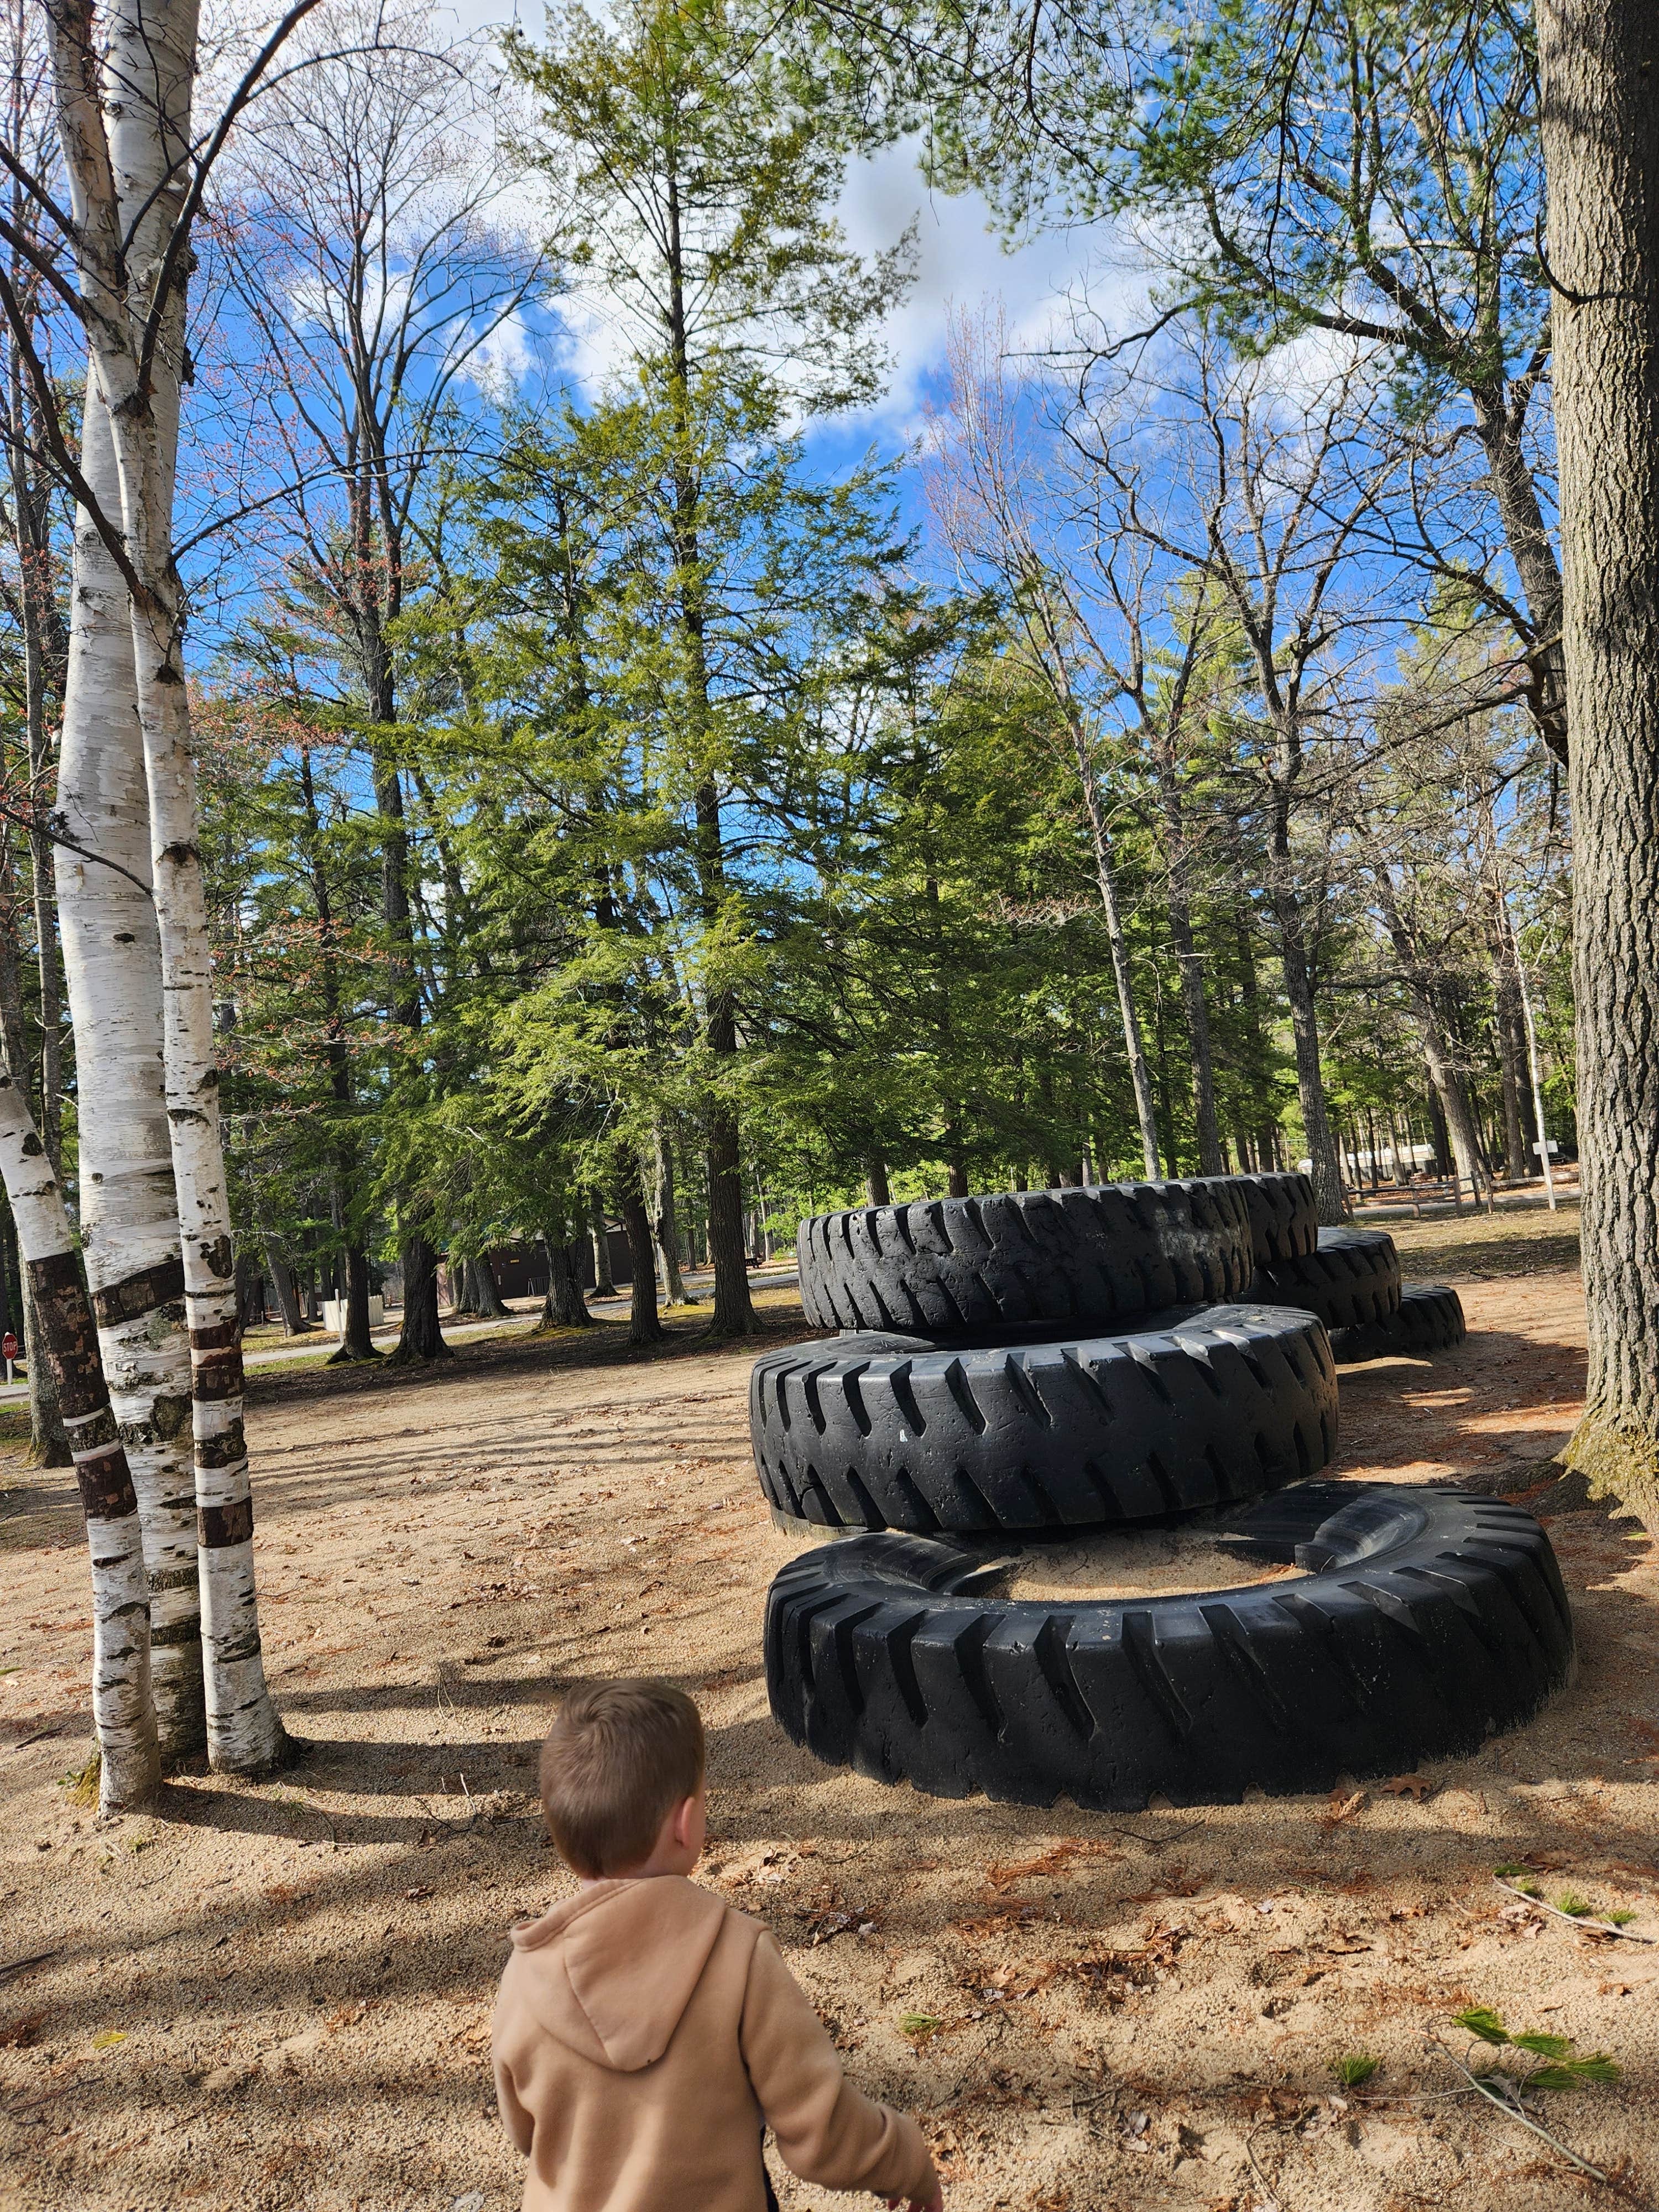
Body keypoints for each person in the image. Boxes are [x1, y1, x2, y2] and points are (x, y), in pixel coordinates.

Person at [492, 1677, 944, 2212]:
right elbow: (820, 2133)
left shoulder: (526, 1973)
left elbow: (526, 2131)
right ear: (685, 1824)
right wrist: (906, 2159)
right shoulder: (737, 1954)